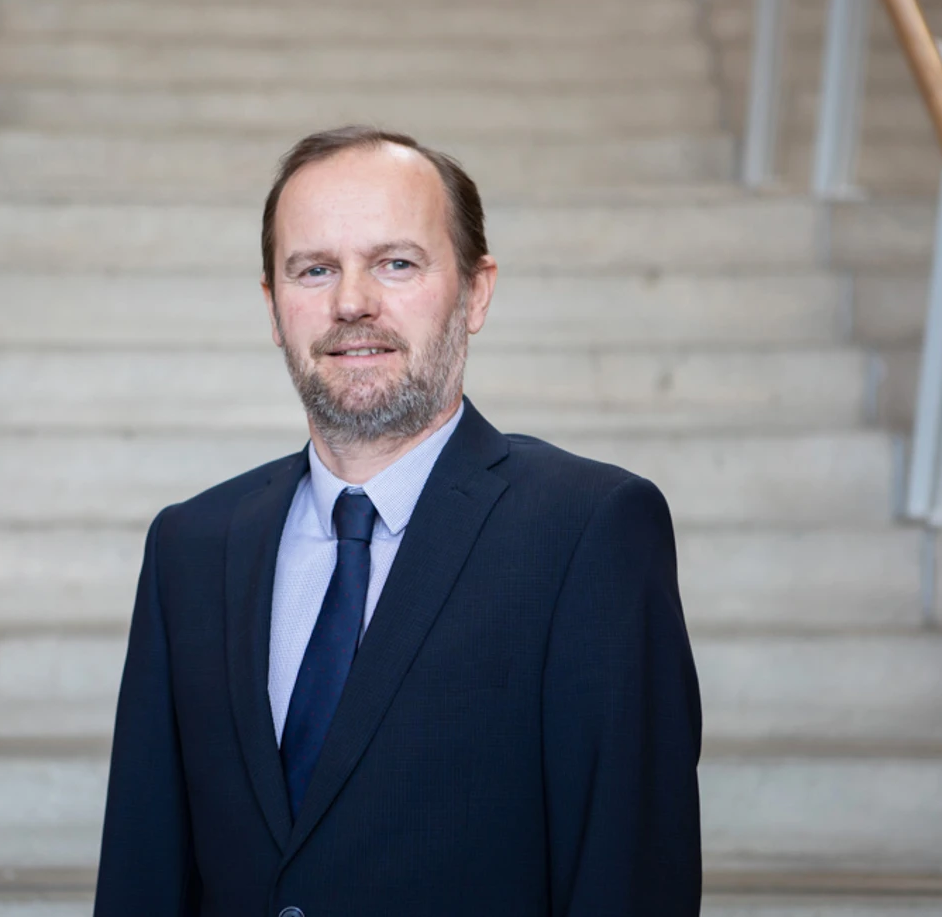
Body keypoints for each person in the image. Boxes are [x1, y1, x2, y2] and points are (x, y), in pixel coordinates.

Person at [93, 126, 701, 917]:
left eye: (396, 263)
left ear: (476, 292)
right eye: (315, 269)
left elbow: (627, 877)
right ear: (274, 306)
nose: (351, 302)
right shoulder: (192, 545)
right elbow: (143, 872)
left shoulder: (589, 532)